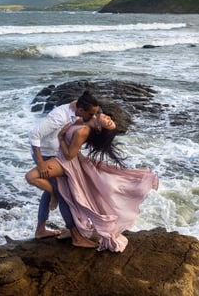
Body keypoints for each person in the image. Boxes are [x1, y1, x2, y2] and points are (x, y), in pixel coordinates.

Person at [26, 112, 159, 252]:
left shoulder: (84, 130)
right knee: (64, 197)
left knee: (32, 177)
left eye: (108, 122)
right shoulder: (83, 122)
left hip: (64, 162)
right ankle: (53, 230)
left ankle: (73, 233)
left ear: (100, 129)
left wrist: (60, 138)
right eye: (110, 118)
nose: (109, 118)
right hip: (63, 159)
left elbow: (69, 155)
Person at [28, 90, 100, 247]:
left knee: (55, 192)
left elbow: (78, 102)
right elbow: (34, 134)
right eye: (91, 114)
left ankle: (40, 230)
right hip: (47, 155)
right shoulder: (58, 116)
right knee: (62, 194)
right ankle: (76, 236)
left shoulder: (78, 107)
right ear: (81, 110)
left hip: (57, 153)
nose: (93, 117)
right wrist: (40, 163)